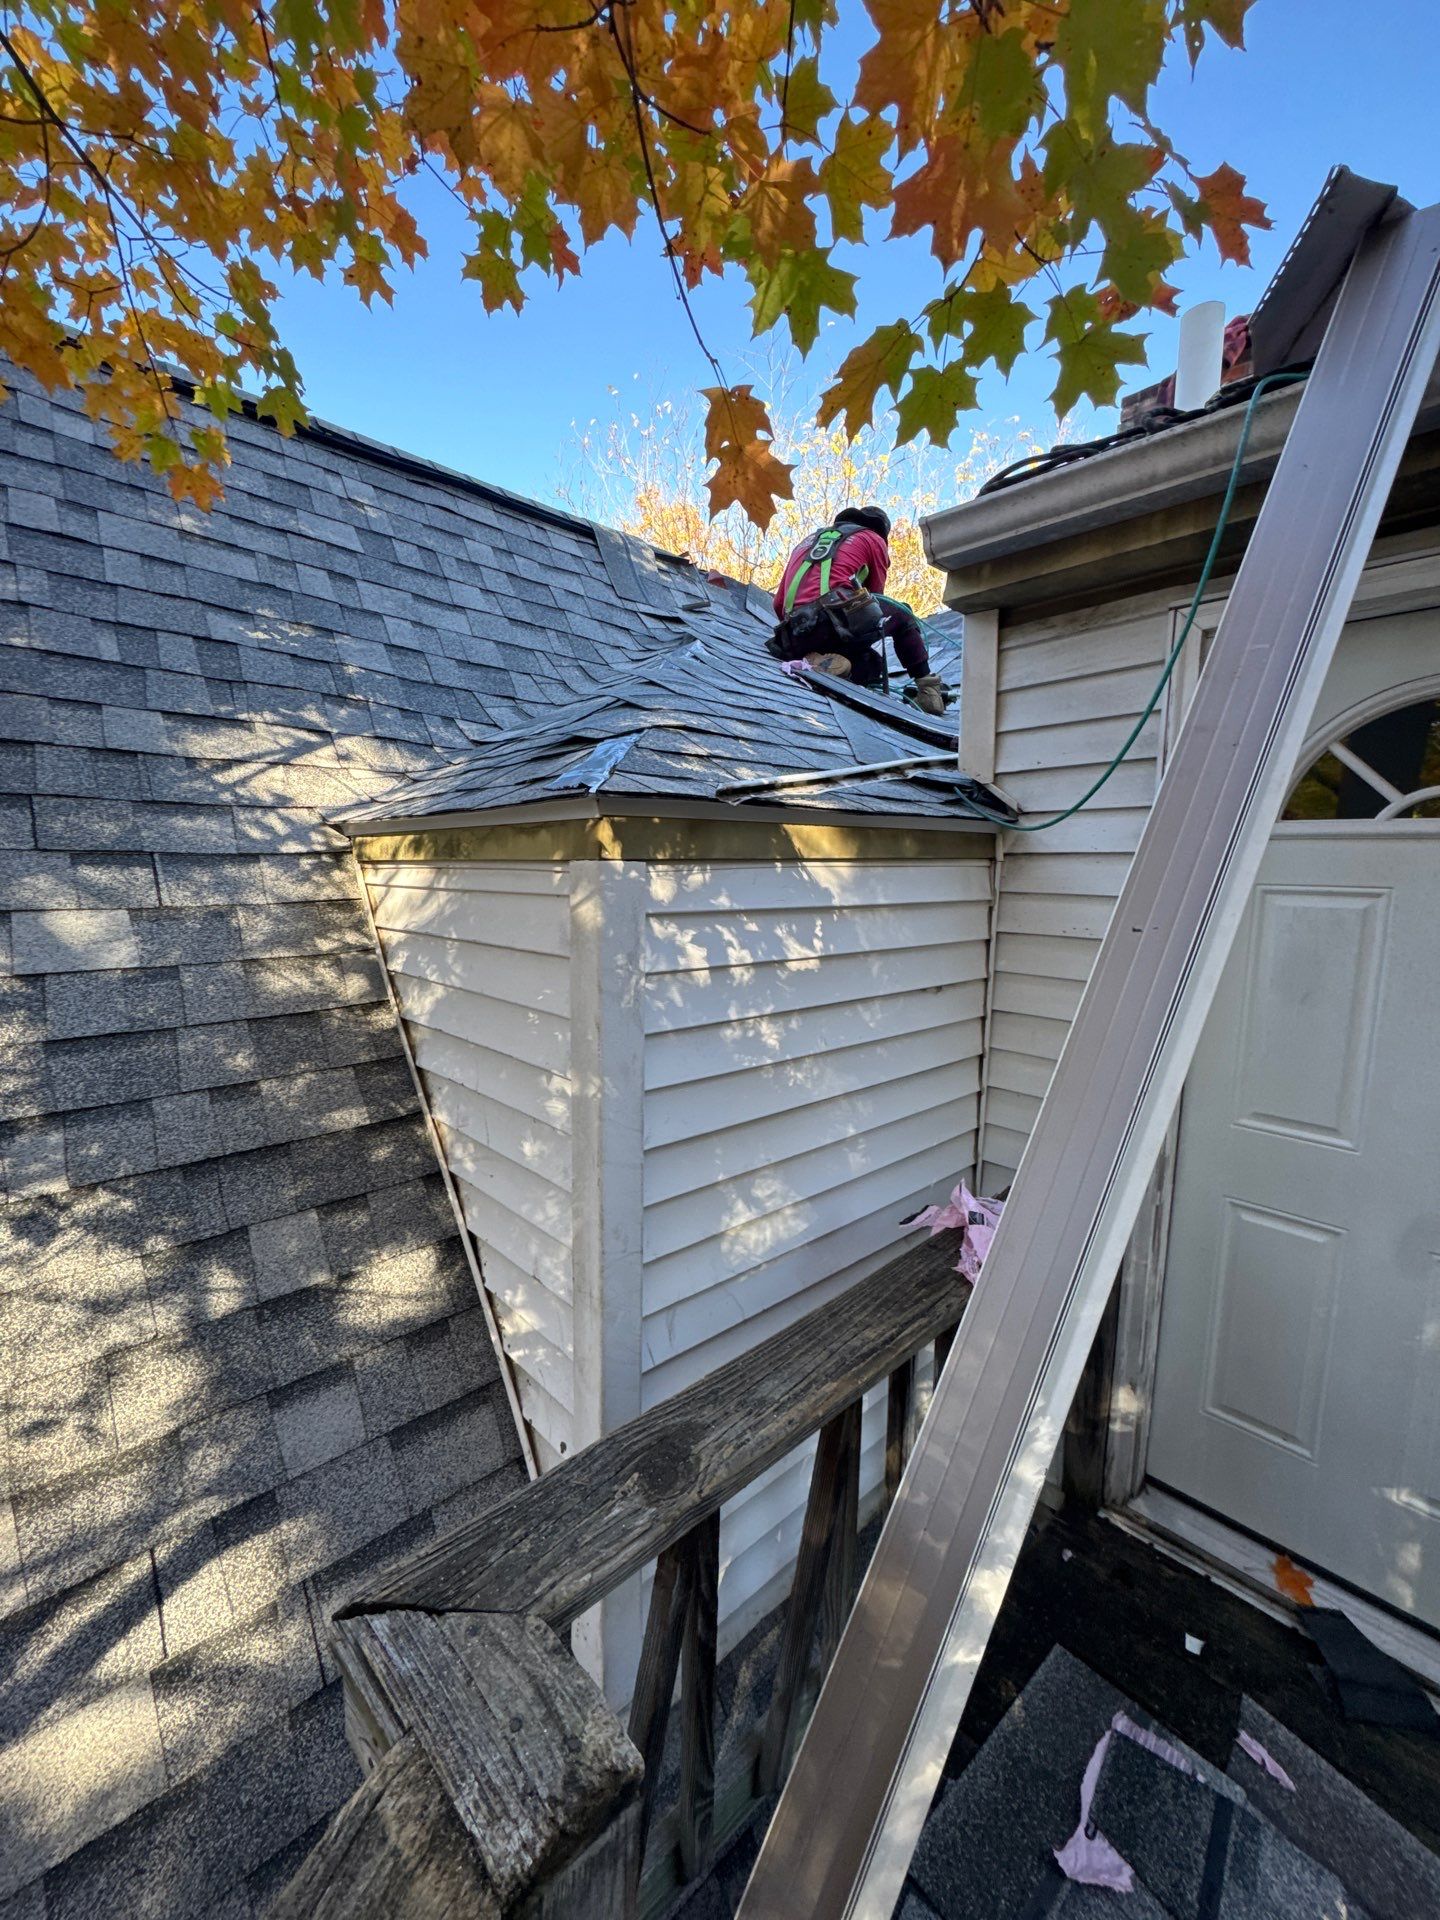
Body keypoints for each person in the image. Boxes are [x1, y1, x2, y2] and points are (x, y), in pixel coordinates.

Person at [769, 505, 947, 715]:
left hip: (792, 635)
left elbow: (778, 604)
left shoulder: (806, 542)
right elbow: (875, 598)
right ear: (881, 530)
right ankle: (928, 690)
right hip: (833, 624)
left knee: (872, 665)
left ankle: (816, 658)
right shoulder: (873, 538)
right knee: (902, 612)